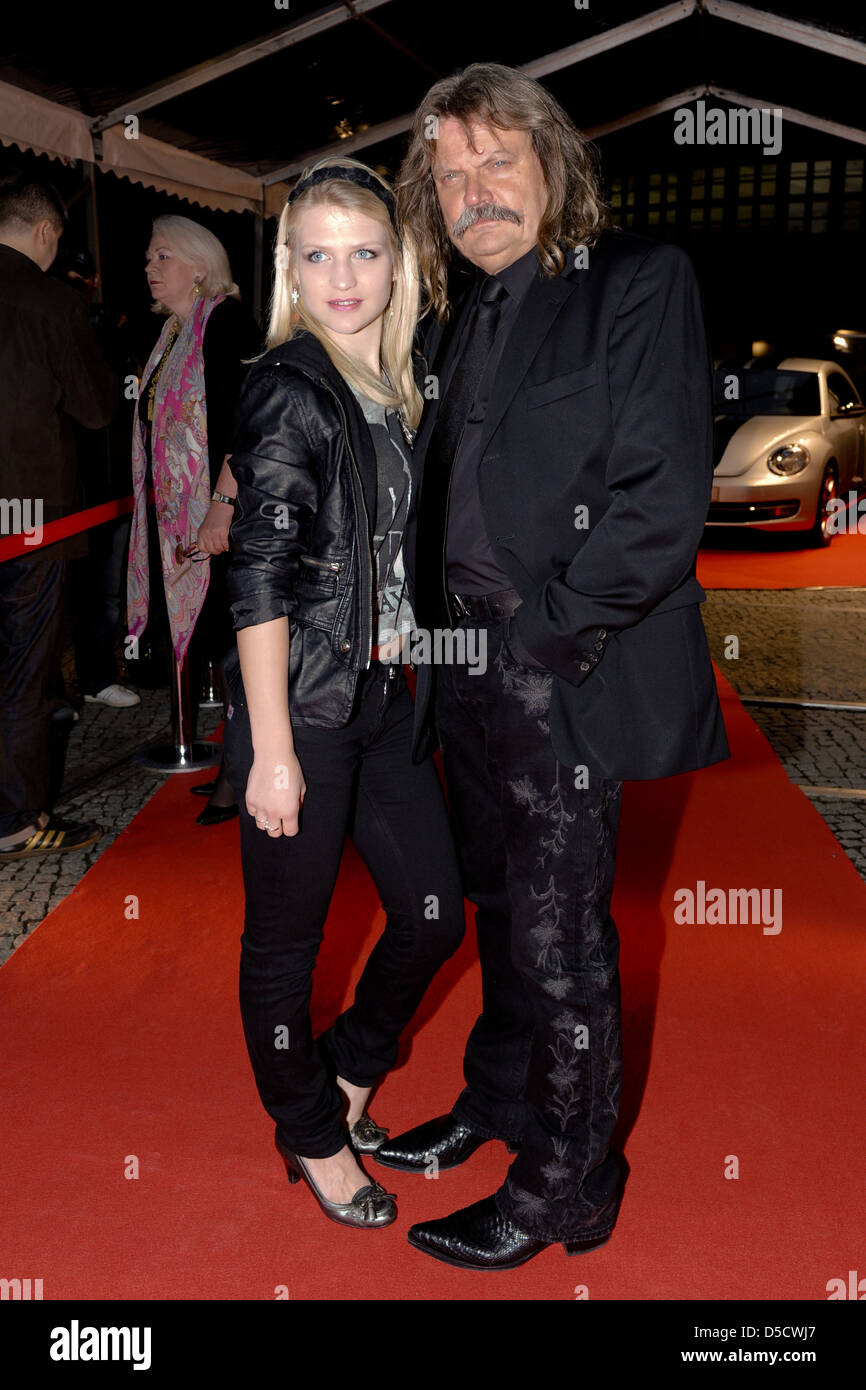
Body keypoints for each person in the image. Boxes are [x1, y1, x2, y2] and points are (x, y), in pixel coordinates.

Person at [372, 62, 731, 1269]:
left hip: (559, 667)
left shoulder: (633, 282)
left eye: (496, 163)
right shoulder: (455, 312)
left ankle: (566, 1182)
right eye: (450, 175)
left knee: (561, 943)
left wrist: (545, 632)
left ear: (552, 164)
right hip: (459, 667)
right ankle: (500, 1101)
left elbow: (660, 495)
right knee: (495, 912)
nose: (474, 193)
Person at [222, 156, 466, 1230]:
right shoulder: (288, 382)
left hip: (384, 703)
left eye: (363, 251)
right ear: (288, 269)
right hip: (306, 715)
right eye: (316, 255)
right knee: (287, 942)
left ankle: (347, 1078)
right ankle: (310, 1132)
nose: (342, 275)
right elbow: (258, 573)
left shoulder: (396, 382)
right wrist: (270, 750)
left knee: (430, 915)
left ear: (395, 259)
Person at [126, 214, 260, 825]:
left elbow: (247, 425)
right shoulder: (174, 336)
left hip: (222, 517)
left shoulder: (225, 323)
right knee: (223, 649)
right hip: (185, 520)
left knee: (238, 650)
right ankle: (241, 764)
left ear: (199, 265)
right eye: (149, 259)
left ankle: (244, 776)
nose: (149, 269)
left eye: (162, 257)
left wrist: (219, 507)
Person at [0, 175, 115, 861]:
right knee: (24, 669)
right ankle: (15, 819)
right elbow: (98, 407)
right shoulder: (51, 300)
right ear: (45, 231)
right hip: (32, 519)